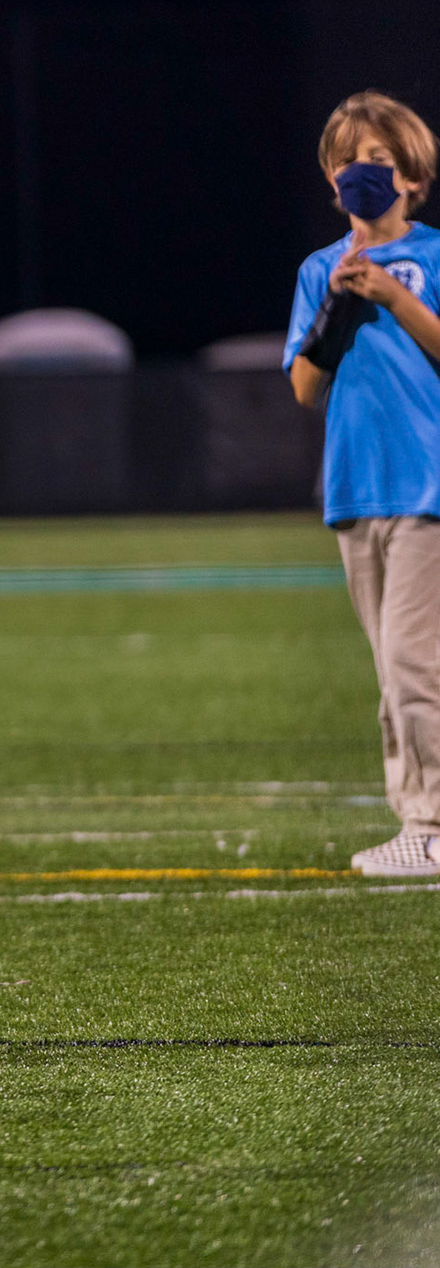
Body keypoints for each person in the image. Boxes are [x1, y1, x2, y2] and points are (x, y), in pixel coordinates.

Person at [286, 91, 440, 877]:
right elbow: (305, 388)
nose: (361, 173)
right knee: (394, 670)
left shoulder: (435, 256)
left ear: (412, 177)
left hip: (428, 486)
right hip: (355, 488)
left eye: (378, 160)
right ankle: (415, 817)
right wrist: (336, 313)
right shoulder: (321, 269)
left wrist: (395, 297)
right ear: (329, 177)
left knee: (415, 663)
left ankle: (431, 824)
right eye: (348, 161)